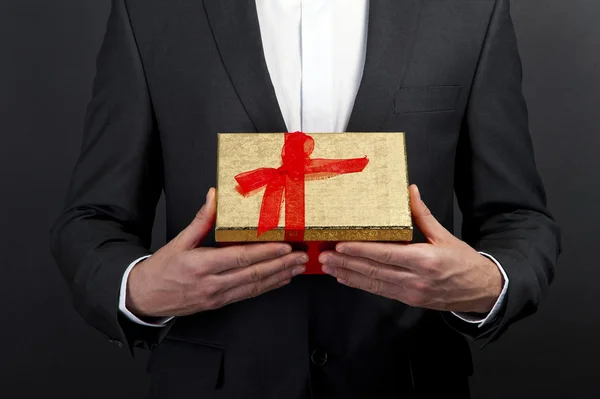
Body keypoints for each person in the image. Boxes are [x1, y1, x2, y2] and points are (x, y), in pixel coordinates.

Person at [50, 0, 561, 397]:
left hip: (408, 381)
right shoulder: (152, 12)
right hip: (213, 384)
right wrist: (135, 290)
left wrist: (489, 283)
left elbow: (518, 217)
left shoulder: (470, 10)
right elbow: (91, 219)